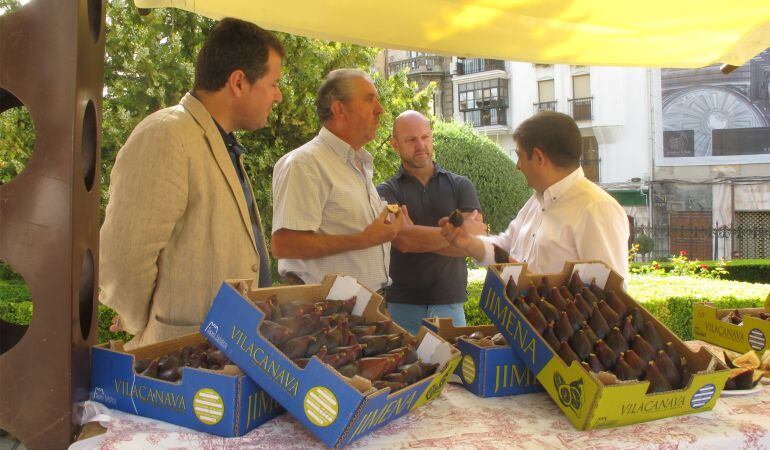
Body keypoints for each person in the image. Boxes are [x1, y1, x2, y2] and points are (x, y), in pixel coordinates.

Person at [100, 18, 284, 349]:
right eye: (273, 83)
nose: (278, 96)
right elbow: (123, 258)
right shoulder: (166, 134)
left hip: (221, 361)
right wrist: (143, 326)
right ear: (238, 82)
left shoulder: (218, 140)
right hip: (179, 362)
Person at [441, 111, 629, 279]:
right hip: (518, 318)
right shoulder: (536, 201)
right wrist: (468, 242)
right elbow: (506, 247)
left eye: (520, 156)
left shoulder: (597, 209)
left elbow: (610, 295)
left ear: (539, 157)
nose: (517, 166)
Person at [271, 69, 403, 292]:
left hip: (363, 310)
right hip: (329, 316)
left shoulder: (357, 163)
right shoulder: (304, 163)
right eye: (369, 99)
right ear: (339, 109)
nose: (380, 109)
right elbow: (284, 245)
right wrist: (363, 239)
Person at [377, 111, 486, 334]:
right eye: (411, 140)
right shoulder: (385, 192)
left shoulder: (460, 186)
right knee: (405, 369)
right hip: (402, 308)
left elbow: (476, 244)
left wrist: (414, 234)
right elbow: (402, 241)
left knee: (455, 370)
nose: (420, 145)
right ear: (395, 145)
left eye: (425, 137)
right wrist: (457, 236)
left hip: (451, 305)